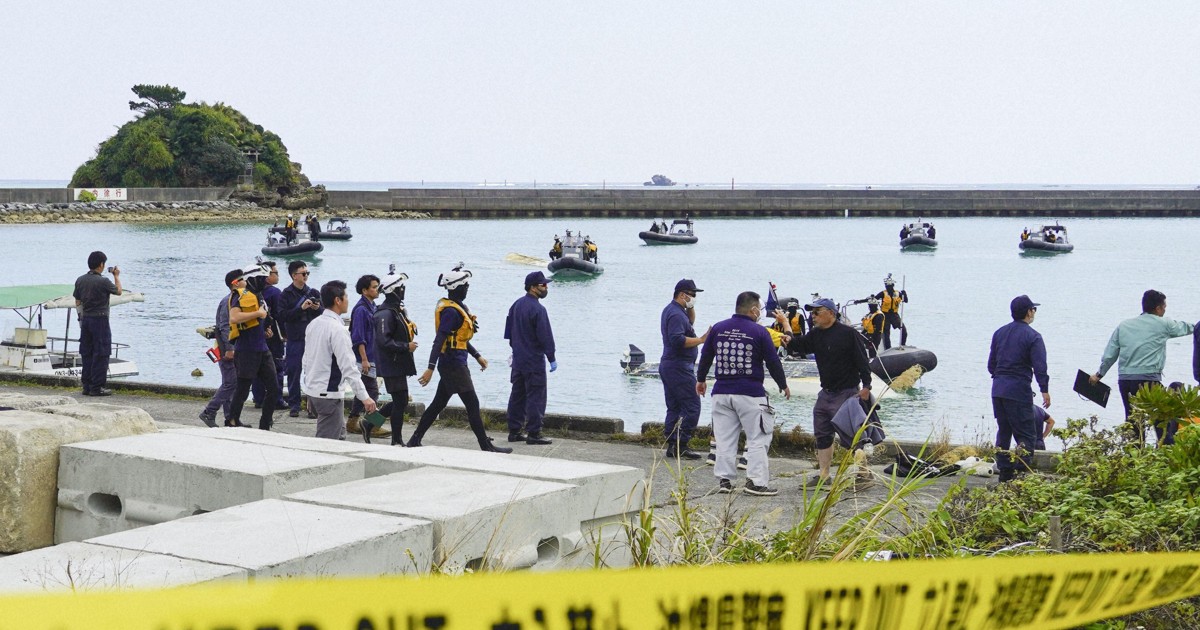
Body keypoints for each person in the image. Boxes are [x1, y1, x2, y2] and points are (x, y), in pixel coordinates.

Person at [406, 263, 511, 453]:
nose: (468, 288)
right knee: (473, 404)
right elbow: (440, 340)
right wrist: (430, 368)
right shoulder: (451, 312)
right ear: (457, 287)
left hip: (454, 362)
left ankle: (415, 439)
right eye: (466, 285)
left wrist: (477, 355)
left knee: (438, 404)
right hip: (453, 365)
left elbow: (458, 339)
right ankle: (485, 446)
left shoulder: (458, 308)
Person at [696, 291, 790, 496]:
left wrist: (701, 379)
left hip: (721, 392)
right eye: (760, 310)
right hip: (750, 393)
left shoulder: (718, 328)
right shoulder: (759, 332)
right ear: (753, 309)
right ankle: (755, 482)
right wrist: (783, 384)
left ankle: (725, 481)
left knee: (725, 438)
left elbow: (705, 357)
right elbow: (772, 361)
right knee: (758, 437)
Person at [787, 298, 873, 489]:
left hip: (848, 392)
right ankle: (824, 475)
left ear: (831, 313)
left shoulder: (848, 333)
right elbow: (798, 345)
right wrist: (786, 336)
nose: (813, 316)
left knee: (852, 435)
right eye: (812, 313)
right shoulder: (816, 334)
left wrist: (866, 386)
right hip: (826, 392)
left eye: (817, 312)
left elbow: (862, 360)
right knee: (822, 433)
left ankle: (864, 474)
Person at [1090, 289, 1195, 445]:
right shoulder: (1164, 323)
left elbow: (1110, 354)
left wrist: (1099, 375)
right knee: (1161, 421)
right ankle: (1165, 456)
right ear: (1158, 308)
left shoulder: (1124, 325)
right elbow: (1188, 328)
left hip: (1125, 381)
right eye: (1164, 307)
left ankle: (1135, 458)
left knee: (1133, 422)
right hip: (1149, 380)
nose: (1165, 310)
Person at [301, 280, 378, 440]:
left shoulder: (313, 324)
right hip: (328, 394)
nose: (348, 300)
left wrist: (308, 388)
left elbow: (306, 359)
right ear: (338, 300)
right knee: (327, 443)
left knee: (340, 437)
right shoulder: (337, 330)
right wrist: (365, 398)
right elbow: (348, 367)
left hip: (315, 390)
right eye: (346, 297)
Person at [987, 295, 1050, 482]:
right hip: (1018, 390)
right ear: (1029, 312)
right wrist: (1044, 389)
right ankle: (1020, 473)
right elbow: (1040, 366)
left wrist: (1001, 377)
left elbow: (991, 365)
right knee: (1026, 434)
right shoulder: (1033, 336)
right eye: (1034, 309)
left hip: (998, 389)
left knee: (1004, 431)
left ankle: (1004, 473)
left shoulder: (999, 333)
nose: (1034, 313)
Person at [504, 271, 557, 445]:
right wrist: (551, 357)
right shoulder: (538, 309)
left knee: (517, 395)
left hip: (518, 360)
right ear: (533, 288)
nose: (546, 287)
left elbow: (509, 334)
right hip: (534, 360)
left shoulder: (516, 305)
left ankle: (514, 431)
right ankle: (534, 433)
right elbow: (545, 336)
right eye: (543, 285)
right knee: (536, 396)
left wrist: (517, 349)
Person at [226, 262, 280, 430]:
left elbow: (260, 320)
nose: (265, 281)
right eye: (262, 278)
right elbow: (234, 318)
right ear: (253, 278)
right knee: (243, 389)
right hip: (246, 350)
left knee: (274, 387)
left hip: (262, 348)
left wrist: (266, 329)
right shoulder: (240, 295)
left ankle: (265, 423)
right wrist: (258, 313)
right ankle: (232, 420)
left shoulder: (259, 295)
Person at [659, 279, 710, 460]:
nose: (694, 298)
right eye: (692, 295)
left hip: (671, 365)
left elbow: (689, 322)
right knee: (692, 405)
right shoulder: (676, 315)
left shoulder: (676, 311)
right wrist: (702, 339)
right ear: (682, 294)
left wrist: (690, 307)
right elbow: (678, 340)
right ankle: (682, 443)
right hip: (678, 366)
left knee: (674, 406)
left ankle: (673, 444)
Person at [371, 266, 418, 445]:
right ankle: (396, 440)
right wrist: (406, 346)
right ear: (393, 290)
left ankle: (370, 423)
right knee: (401, 401)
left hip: (397, 363)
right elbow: (384, 341)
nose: (403, 290)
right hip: (391, 363)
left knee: (401, 399)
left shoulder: (395, 310)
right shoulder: (384, 314)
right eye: (401, 288)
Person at [347, 274, 391, 440]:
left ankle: (353, 421)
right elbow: (358, 337)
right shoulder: (361, 310)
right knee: (372, 391)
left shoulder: (372, 307)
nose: (377, 289)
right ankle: (372, 425)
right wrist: (364, 359)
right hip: (364, 358)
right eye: (373, 287)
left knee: (364, 390)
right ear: (364, 290)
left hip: (372, 356)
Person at [72, 251, 122, 396]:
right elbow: (118, 291)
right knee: (101, 353)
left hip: (86, 319)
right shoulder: (104, 281)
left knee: (87, 352)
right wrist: (116, 276)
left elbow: (77, 301)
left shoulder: (80, 280)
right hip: (100, 320)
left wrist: (82, 318)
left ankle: (86, 386)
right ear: (101, 265)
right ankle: (97, 387)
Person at [278, 261, 323, 418]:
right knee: (294, 371)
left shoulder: (314, 292)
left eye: (307, 273)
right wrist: (300, 308)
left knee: (313, 373)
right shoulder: (285, 294)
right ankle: (294, 405)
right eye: (303, 273)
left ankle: (312, 407)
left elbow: (324, 313)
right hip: (295, 338)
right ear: (293, 276)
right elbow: (282, 316)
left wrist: (317, 309)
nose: (306, 276)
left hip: (312, 338)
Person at [199, 269, 242, 427]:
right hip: (226, 349)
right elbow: (224, 326)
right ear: (235, 283)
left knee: (232, 383)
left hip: (232, 347)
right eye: (243, 279)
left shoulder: (234, 300)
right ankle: (209, 411)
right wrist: (229, 348)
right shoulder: (228, 301)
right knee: (230, 383)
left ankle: (230, 418)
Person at [251, 261, 286, 411]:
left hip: (256, 336)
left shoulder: (251, 293)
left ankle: (258, 398)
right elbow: (280, 316)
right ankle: (277, 399)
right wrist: (285, 334)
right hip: (273, 336)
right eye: (275, 273)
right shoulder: (275, 293)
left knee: (257, 369)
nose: (277, 275)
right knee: (277, 368)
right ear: (266, 276)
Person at [863, 274, 908, 349]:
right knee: (886, 333)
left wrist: (904, 294)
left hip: (894, 315)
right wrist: (861, 300)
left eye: (889, 286)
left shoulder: (897, 293)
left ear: (893, 285)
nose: (887, 287)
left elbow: (905, 300)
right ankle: (888, 348)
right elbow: (874, 298)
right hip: (885, 315)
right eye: (886, 285)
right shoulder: (883, 293)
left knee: (903, 330)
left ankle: (903, 344)